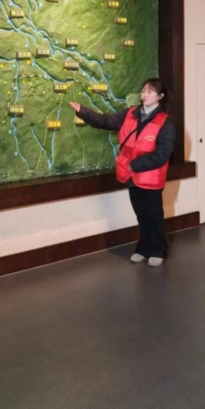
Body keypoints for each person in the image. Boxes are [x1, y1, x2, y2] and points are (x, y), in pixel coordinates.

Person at [70, 78, 175, 267]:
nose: (144, 95)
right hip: (132, 176)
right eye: (143, 91)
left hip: (150, 178)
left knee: (153, 215)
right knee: (141, 215)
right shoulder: (130, 114)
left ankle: (158, 250)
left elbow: (162, 154)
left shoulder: (165, 123)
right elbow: (106, 121)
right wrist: (84, 112)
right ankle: (144, 248)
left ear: (160, 96)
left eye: (149, 92)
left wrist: (136, 165)